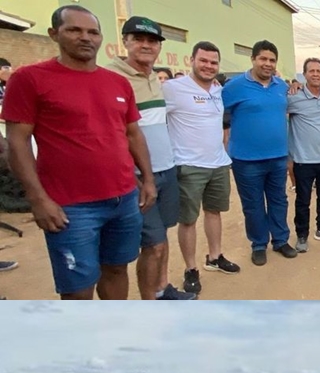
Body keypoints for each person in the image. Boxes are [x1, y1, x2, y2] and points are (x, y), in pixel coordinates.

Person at [4, 4, 155, 300]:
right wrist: (37, 199)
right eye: (74, 30)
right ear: (54, 33)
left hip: (123, 200)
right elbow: (17, 142)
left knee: (116, 270)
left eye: (92, 32)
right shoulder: (30, 79)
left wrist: (147, 179)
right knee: (78, 288)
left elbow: (133, 134)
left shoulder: (117, 82)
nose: (85, 37)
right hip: (70, 207)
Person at [106, 17, 195, 300]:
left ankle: (161, 289)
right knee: (153, 244)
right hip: (138, 177)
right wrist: (136, 175)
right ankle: (150, 305)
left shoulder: (155, 78)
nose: (146, 45)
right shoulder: (111, 78)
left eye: (152, 41)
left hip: (166, 171)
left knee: (162, 239)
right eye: (138, 39)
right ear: (126, 41)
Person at [162, 41, 240, 295]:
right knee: (188, 220)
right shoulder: (172, 89)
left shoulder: (218, 90)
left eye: (213, 62)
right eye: (203, 60)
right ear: (191, 60)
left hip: (218, 163)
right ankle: (190, 268)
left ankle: (214, 257)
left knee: (214, 212)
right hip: (188, 166)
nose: (208, 66)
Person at [223, 40, 297, 267]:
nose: (268, 64)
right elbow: (216, 114)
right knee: (253, 204)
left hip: (277, 157)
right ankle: (258, 244)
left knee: (279, 200)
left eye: (272, 60)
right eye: (263, 59)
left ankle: (281, 240)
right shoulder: (234, 87)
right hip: (246, 160)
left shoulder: (281, 87)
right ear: (253, 59)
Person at [288, 57, 320, 253]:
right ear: (305, 74)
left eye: (319, 71)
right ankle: (302, 235)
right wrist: (293, 85)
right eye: (311, 71)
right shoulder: (294, 97)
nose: (315, 74)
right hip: (303, 160)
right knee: (303, 200)